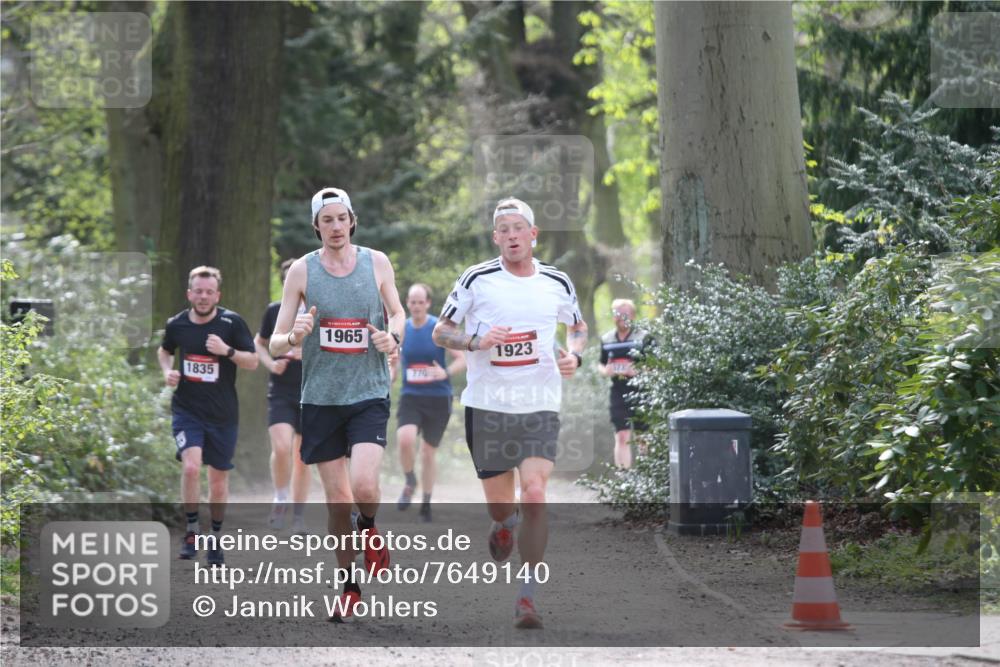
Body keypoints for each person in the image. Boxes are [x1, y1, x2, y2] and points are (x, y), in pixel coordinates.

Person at [433, 197, 587, 629]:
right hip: (488, 408)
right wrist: (475, 342)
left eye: (519, 227)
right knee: (502, 508)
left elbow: (577, 327)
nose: (512, 235)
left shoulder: (557, 281)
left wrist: (575, 356)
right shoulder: (477, 279)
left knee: (535, 493)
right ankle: (504, 524)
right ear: (495, 237)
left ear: (533, 235)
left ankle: (527, 597)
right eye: (504, 229)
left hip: (540, 403)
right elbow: (441, 331)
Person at [269, 187, 404, 622]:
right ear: (317, 226)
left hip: (368, 391)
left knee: (364, 486)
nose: (335, 227)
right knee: (337, 503)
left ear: (352, 220)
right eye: (326, 220)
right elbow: (274, 343)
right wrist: (294, 336)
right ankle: (348, 585)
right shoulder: (302, 272)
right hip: (322, 398)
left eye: (341, 218)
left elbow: (397, 312)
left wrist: (392, 336)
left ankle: (370, 528)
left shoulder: (375, 262)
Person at [158, 266, 258, 566]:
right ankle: (191, 530)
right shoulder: (177, 324)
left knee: (217, 481)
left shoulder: (231, 323)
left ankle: (214, 537)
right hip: (187, 409)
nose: (203, 297)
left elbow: (252, 361)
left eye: (208, 292)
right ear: (190, 294)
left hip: (223, 414)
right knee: (190, 467)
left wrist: (227, 351)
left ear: (218, 295)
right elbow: (165, 351)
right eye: (198, 291)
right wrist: (168, 372)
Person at [394, 283, 465, 522]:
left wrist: (444, 372)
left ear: (428, 303)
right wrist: (390, 370)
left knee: (427, 452)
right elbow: (393, 359)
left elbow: (462, 358)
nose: (415, 306)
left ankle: (426, 502)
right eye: (411, 302)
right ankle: (410, 480)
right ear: (407, 303)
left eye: (420, 302)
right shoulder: (402, 328)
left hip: (437, 397)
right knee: (404, 440)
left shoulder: (437, 327)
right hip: (411, 396)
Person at [255, 258, 312, 534]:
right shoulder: (274, 311)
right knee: (281, 447)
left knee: (303, 456)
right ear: (284, 281)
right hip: (281, 389)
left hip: (310, 390)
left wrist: (310, 353)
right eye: (289, 276)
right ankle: (280, 497)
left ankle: (299, 516)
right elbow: (260, 345)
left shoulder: (317, 312)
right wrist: (271, 363)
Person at [598, 298, 650, 469]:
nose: (621, 318)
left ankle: (647, 476)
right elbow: (601, 363)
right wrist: (605, 370)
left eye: (625, 314)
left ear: (633, 315)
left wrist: (638, 371)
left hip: (641, 391)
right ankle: (624, 479)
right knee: (621, 435)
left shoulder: (644, 337)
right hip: (618, 391)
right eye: (618, 314)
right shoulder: (607, 339)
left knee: (643, 436)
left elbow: (658, 366)